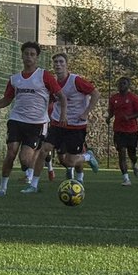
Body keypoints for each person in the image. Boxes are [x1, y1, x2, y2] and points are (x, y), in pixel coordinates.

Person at [0, 41, 61, 195]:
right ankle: (2, 187)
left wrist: (62, 113)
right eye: (26, 54)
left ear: (37, 57)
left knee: (25, 159)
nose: (29, 57)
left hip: (36, 123)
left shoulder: (44, 76)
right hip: (16, 120)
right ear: (22, 56)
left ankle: (34, 174)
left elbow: (60, 95)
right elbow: (6, 100)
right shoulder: (14, 79)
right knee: (11, 152)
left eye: (32, 54)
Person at [28, 53, 97, 192]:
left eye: (61, 62)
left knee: (70, 161)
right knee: (43, 151)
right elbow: (51, 100)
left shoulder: (76, 80)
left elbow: (96, 94)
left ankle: (88, 157)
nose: (58, 65)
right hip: (57, 124)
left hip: (76, 125)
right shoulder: (52, 82)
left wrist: (85, 113)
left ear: (66, 64)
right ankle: (33, 185)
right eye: (55, 63)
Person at [107, 76, 138, 186]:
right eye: (120, 83)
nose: (121, 85)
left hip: (132, 130)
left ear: (128, 85)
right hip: (119, 130)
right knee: (121, 152)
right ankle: (126, 179)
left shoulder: (134, 98)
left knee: (131, 153)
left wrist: (130, 117)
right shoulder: (113, 98)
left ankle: (134, 163)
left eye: (124, 83)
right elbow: (111, 111)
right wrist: (108, 117)